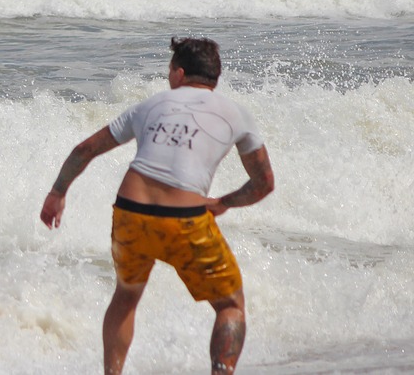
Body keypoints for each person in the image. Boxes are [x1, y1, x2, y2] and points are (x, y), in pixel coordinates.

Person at [39, 37, 274, 375]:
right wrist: (223, 203)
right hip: (186, 220)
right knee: (230, 305)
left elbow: (83, 150)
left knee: (126, 295)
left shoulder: (150, 105)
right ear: (214, 78)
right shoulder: (236, 114)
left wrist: (57, 193)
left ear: (179, 73)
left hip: (130, 214)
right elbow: (263, 184)